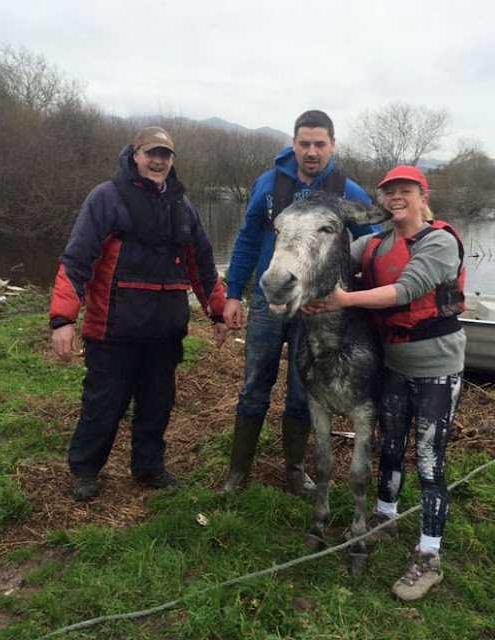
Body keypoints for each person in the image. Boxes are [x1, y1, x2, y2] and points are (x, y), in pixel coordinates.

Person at [304, 165, 466, 600]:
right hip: (392, 363)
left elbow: (406, 291)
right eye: (389, 192)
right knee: (390, 449)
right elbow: (332, 260)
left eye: (405, 191)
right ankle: (383, 518)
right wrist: (305, 288)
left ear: (421, 194)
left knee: (429, 461)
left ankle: (429, 556)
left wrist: (344, 299)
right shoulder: (372, 243)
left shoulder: (440, 241)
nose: (397, 198)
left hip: (436, 365)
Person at [49, 126, 227, 502]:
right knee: (103, 405)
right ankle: (85, 470)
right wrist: (63, 319)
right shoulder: (106, 198)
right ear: (135, 155)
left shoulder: (183, 206)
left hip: (164, 331)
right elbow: (77, 260)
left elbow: (203, 266)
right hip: (113, 329)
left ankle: (148, 468)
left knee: (157, 404)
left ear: (172, 161)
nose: (158, 161)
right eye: (151, 153)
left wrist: (218, 312)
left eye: (165, 155)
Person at [222, 109, 381, 496]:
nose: (312, 151)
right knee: (255, 382)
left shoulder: (348, 191)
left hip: (320, 309)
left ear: (332, 145)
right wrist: (231, 294)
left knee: (303, 389)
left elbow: (373, 242)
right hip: (267, 302)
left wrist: (362, 296)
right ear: (293, 144)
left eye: (319, 144)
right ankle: (238, 472)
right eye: (304, 143)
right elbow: (245, 241)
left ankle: (294, 471)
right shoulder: (269, 184)